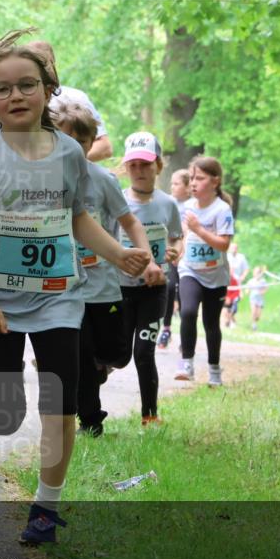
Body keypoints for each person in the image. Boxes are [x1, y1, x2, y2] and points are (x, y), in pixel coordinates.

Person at [0, 29, 147, 545]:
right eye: (3, 89)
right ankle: (10, 414)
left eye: (27, 85)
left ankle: (45, 508)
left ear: (47, 91)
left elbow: (77, 216)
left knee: (59, 403)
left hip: (59, 296)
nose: (16, 96)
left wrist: (118, 253)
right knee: (0, 417)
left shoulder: (68, 155)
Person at [52, 107, 153, 437]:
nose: (74, 147)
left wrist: (147, 258)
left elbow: (130, 222)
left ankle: (100, 365)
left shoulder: (103, 180)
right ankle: (90, 419)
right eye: (67, 138)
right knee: (78, 355)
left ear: (92, 143)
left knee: (115, 353)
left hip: (105, 287)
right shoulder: (46, 179)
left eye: (82, 141)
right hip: (66, 288)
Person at [118, 131, 182, 425]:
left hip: (155, 290)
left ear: (158, 166)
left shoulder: (168, 204)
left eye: (145, 164)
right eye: (133, 165)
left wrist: (173, 252)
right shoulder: (117, 202)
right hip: (120, 289)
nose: (139, 171)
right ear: (125, 167)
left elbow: (177, 238)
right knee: (116, 353)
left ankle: (150, 415)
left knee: (144, 351)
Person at [173, 156, 235, 386]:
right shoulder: (187, 207)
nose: (193, 183)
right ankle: (186, 363)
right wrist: (177, 250)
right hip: (190, 269)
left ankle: (214, 370)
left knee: (211, 323)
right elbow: (183, 235)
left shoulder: (222, 210)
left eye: (200, 178)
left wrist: (199, 229)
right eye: (191, 178)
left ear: (215, 181)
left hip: (215, 275)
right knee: (188, 312)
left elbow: (223, 244)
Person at [26, 41, 113, 162]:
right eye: (34, 65)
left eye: (44, 64)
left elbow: (104, 147)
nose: (41, 70)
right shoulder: (16, 105)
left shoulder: (76, 98)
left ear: (53, 64)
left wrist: (68, 164)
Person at [159, 169, 190, 350]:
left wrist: (183, 250)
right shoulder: (168, 203)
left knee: (185, 295)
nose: (172, 187)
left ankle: (186, 333)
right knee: (170, 288)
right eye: (171, 183)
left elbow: (187, 231)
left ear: (187, 187)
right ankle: (166, 329)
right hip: (170, 254)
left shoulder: (192, 205)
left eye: (177, 183)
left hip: (187, 257)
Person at [246, 266, 268, 331]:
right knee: (253, 311)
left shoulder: (263, 281)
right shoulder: (251, 281)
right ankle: (253, 324)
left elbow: (266, 288)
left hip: (260, 299)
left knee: (258, 315)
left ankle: (255, 321)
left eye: (258, 272)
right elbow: (247, 288)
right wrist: (247, 291)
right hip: (253, 298)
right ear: (253, 273)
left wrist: (263, 292)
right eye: (256, 272)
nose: (257, 274)